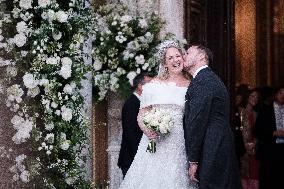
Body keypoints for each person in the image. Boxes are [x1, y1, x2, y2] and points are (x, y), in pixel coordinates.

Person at [119, 40, 197, 189]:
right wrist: (148, 130)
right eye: (170, 58)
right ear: (165, 63)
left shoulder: (192, 85)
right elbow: (142, 115)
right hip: (155, 142)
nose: (175, 60)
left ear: (182, 57)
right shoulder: (154, 85)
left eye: (177, 56)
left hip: (180, 143)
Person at [183, 45, 242, 189]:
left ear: (201, 57)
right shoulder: (207, 78)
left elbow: (196, 122)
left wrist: (193, 160)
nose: (183, 55)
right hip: (218, 144)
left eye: (188, 52)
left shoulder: (203, 81)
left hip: (212, 148)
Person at [118, 73, 152, 177]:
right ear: (140, 86)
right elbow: (130, 133)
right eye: (150, 84)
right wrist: (141, 156)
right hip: (131, 158)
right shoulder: (131, 104)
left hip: (142, 157)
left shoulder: (144, 103)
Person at [254, 86, 284, 189]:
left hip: (283, 151)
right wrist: (273, 133)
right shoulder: (265, 110)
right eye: (281, 92)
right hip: (269, 151)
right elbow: (257, 131)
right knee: (269, 181)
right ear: (275, 95)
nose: (283, 95)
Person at [239, 89, 259, 189]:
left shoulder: (256, 114)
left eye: (256, 97)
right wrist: (245, 145)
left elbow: (259, 131)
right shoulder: (240, 112)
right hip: (242, 148)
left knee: (254, 172)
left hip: (254, 148)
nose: (255, 99)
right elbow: (239, 131)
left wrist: (254, 143)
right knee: (244, 173)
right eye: (252, 96)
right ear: (247, 97)